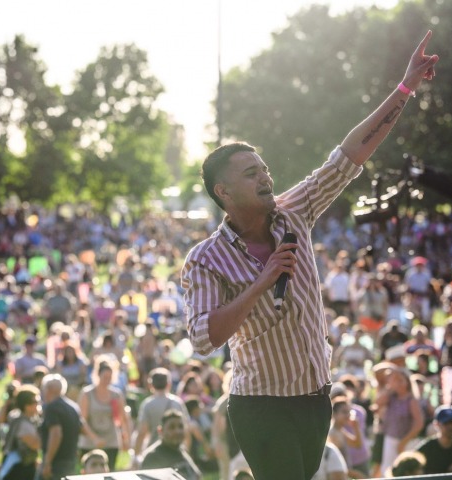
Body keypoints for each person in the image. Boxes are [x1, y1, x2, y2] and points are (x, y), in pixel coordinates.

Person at [182, 32, 438, 480]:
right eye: (250, 173)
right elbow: (204, 339)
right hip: (261, 405)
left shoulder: (294, 212)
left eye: (263, 168)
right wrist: (262, 282)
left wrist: (404, 89)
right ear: (224, 192)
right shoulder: (205, 259)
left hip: (316, 397)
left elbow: (349, 154)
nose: (265, 175)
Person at [39, 374, 103, 480]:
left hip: (56, 463)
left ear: (49, 390)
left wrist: (47, 462)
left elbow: (56, 434)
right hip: (70, 461)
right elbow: (82, 427)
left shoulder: (51, 407)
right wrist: (95, 438)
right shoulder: (73, 407)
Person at [77, 355, 131, 472]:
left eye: (110, 377)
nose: (107, 380)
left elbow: (122, 419)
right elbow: (82, 420)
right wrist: (95, 438)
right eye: (105, 377)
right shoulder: (87, 393)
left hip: (111, 441)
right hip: (90, 443)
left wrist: (126, 438)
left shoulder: (116, 395)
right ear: (98, 375)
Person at [134, 368, 190, 458]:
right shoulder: (177, 402)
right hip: (176, 449)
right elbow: (186, 429)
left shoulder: (148, 404)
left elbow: (142, 432)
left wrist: (136, 456)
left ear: (151, 385)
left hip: (154, 451)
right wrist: (187, 451)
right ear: (169, 384)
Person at [140, 409, 202, 480]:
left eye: (180, 426)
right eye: (172, 427)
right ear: (161, 431)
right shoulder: (152, 456)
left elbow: (197, 475)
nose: (177, 431)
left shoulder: (180, 449)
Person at [0, 385, 42, 480]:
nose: (39, 404)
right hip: (19, 469)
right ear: (26, 405)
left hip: (25, 465)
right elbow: (36, 445)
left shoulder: (28, 419)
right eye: (35, 402)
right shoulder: (22, 424)